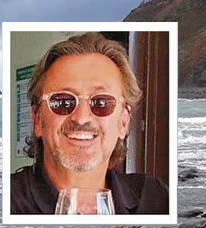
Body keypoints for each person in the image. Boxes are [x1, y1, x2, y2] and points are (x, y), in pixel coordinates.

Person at [11, 32, 168, 214]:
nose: (82, 118)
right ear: (37, 119)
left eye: (101, 102)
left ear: (124, 122)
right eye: (62, 102)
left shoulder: (155, 198)